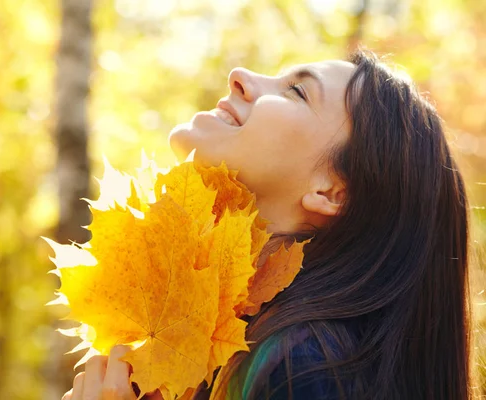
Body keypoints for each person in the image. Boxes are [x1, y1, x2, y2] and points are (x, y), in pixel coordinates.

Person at [62, 49, 473, 400]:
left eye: (296, 91)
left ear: (332, 192)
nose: (239, 77)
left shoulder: (304, 366)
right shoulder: (227, 341)